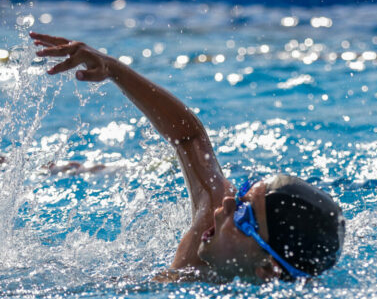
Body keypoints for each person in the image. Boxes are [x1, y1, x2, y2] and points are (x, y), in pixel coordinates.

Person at [30, 32, 345, 283]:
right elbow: (189, 138)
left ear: (268, 271)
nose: (227, 205)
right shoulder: (206, 238)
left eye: (244, 217)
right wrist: (112, 68)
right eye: (245, 193)